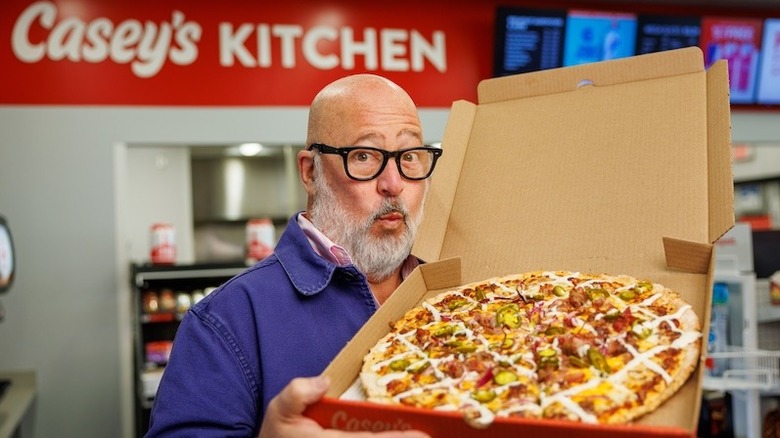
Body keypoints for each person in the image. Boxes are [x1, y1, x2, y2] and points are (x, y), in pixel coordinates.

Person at [145, 73, 442, 438]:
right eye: (364, 155)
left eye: (409, 156)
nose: (394, 184)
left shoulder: (458, 294)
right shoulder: (226, 322)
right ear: (310, 172)